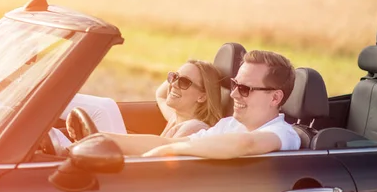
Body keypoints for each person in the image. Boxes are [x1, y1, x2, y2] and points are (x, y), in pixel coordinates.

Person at [110, 50, 300, 158]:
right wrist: (107, 140)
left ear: (275, 98)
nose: (234, 94)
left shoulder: (282, 133)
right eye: (234, 85)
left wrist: (169, 150)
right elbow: (168, 142)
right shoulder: (228, 125)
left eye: (245, 89)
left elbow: (246, 143)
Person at [50, 59, 224, 148]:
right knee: (103, 109)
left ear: (202, 97)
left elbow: (161, 164)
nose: (174, 84)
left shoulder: (193, 127)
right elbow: (161, 95)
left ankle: (39, 108)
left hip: (134, 171)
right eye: (174, 77)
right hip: (134, 164)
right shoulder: (176, 117)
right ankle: (53, 138)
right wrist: (188, 69)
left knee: (105, 108)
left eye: (184, 82)